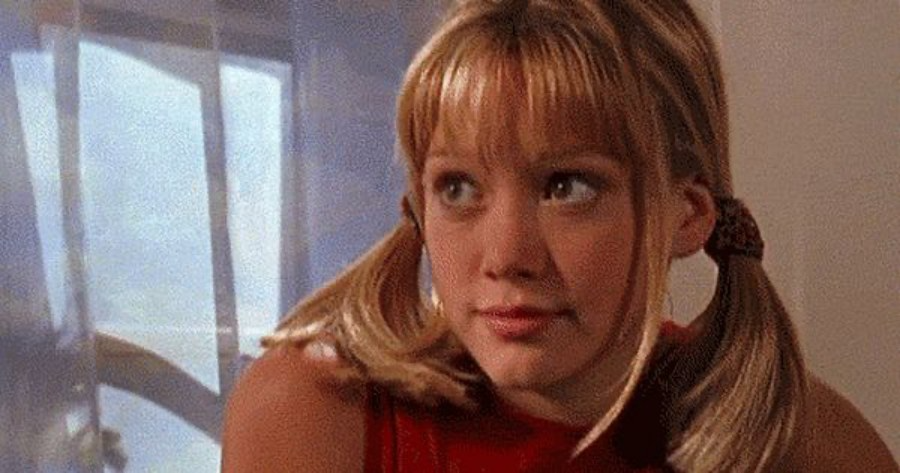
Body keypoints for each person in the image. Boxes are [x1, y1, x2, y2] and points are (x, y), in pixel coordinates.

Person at [221, 1, 898, 471]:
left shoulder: (793, 437)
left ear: (688, 214)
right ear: (419, 206)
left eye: (568, 186)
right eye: (459, 188)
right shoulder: (319, 414)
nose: (507, 257)